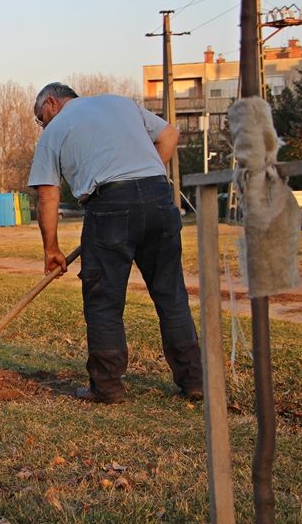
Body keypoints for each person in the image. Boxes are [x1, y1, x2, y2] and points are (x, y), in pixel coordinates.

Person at [27, 82, 203, 404]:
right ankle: (194, 381)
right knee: (171, 295)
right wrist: (143, 182)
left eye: (41, 117)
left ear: (51, 103)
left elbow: (48, 196)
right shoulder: (121, 104)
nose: (43, 124)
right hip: (160, 198)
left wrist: (51, 249)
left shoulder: (55, 131)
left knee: (104, 301)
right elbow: (170, 135)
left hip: (108, 205)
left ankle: (107, 387)